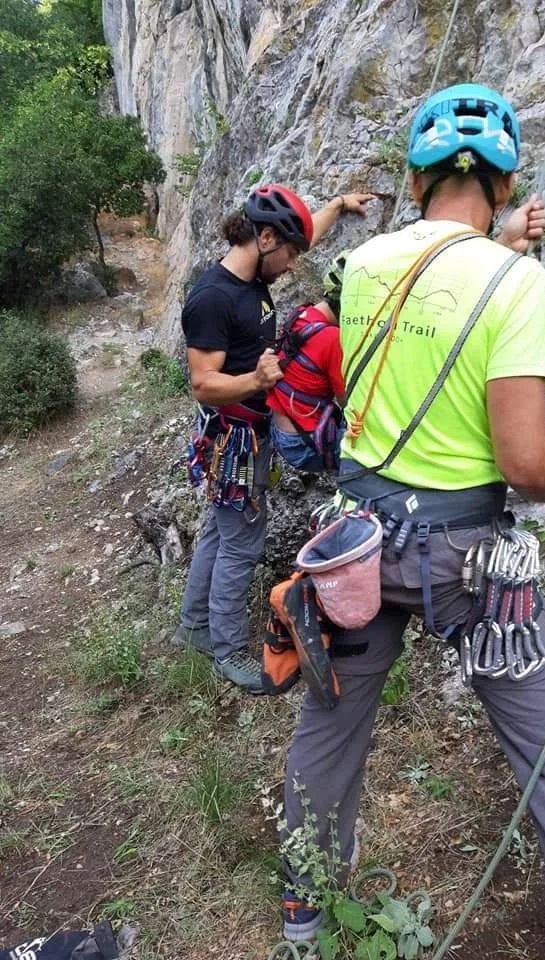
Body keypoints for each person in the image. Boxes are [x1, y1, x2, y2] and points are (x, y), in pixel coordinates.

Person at [279, 85, 545, 960]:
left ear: (414, 181)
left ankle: (305, 910)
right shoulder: (516, 281)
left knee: (330, 726)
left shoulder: (363, 266)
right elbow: (524, 460)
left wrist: (500, 240)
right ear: (506, 183)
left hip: (358, 553)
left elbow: (428, 294)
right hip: (471, 565)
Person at [172, 184, 375, 691]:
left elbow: (301, 238)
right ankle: (227, 652)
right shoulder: (214, 299)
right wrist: (257, 381)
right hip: (235, 439)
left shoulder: (255, 275)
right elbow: (203, 383)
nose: (292, 264)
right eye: (289, 253)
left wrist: (336, 207)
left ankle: (194, 626)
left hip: (245, 433)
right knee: (242, 542)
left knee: (218, 531)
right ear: (264, 239)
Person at [266, 253, 348, 473]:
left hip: (279, 428)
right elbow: (349, 403)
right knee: (380, 450)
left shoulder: (302, 313)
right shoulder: (332, 339)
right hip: (302, 444)